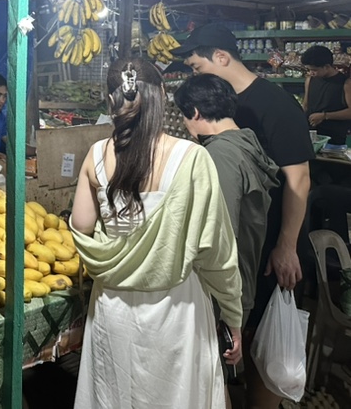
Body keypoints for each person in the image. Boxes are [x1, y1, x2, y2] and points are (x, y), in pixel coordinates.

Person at [70, 58, 242, 408]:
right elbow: (216, 252)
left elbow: (81, 228)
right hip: (176, 310)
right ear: (162, 95)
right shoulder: (192, 158)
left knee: (115, 394)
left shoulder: (96, 156)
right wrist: (233, 315)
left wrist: (120, 246)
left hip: (112, 308)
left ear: (109, 100)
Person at [175, 23, 313, 409]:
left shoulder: (274, 104)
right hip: (247, 247)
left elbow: (299, 179)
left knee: (263, 350)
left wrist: (286, 245)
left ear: (221, 57)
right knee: (247, 338)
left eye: (197, 68)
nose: (194, 76)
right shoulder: (229, 108)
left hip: (272, 245)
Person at [174, 74, 280, 326]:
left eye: (183, 115)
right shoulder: (245, 140)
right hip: (240, 279)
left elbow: (221, 233)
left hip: (225, 293)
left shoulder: (220, 155)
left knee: (222, 360)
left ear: (196, 113)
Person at [300, 44, 351, 146]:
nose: (311, 73)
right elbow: (306, 105)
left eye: (314, 70)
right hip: (311, 136)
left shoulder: (346, 83)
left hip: (334, 140)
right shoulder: (310, 80)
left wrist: (325, 116)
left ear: (327, 66)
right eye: (309, 70)